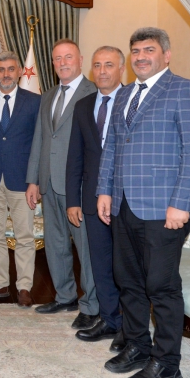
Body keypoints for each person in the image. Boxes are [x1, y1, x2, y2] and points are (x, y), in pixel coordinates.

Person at [97, 27, 190, 378]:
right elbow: (113, 147)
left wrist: (181, 202)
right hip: (124, 204)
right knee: (128, 280)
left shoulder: (185, 89)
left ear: (166, 54)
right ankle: (138, 346)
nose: (141, 57)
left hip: (165, 209)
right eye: (136, 51)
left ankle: (167, 364)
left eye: (149, 50)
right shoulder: (124, 93)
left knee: (161, 285)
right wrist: (104, 191)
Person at [25, 39, 99, 330]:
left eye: (68, 57)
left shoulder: (94, 92)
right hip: (48, 183)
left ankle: (91, 305)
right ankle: (65, 296)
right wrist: (33, 180)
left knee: (86, 249)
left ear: (80, 59)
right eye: (57, 58)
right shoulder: (48, 96)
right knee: (55, 244)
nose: (63, 63)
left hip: (78, 186)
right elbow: (40, 140)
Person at [65, 46, 125, 351]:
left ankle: (129, 326)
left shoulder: (134, 101)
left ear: (121, 69)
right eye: (97, 65)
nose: (102, 71)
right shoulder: (83, 105)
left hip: (126, 199)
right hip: (90, 198)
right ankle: (109, 319)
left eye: (109, 65)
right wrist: (72, 200)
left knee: (125, 266)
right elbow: (75, 155)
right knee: (100, 263)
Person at [0, 51, 40, 308]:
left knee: (24, 235)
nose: (6, 74)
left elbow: (39, 144)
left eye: (11, 69)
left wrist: (35, 180)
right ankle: (0, 282)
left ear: (20, 72)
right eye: (1, 69)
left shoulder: (34, 101)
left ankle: (24, 287)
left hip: (22, 181)